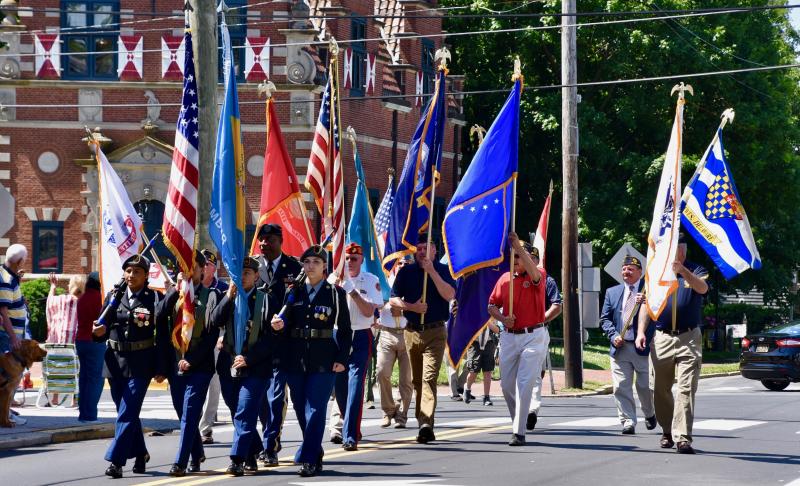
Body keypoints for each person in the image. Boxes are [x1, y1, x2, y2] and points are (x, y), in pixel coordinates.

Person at [270, 245, 351, 477]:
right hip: (295, 358)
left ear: (325, 266)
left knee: (316, 409)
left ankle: (309, 460)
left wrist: (342, 358)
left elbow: (345, 330)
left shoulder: (335, 293)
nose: (311, 266)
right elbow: (284, 326)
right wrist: (278, 326)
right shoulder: (293, 292)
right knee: (301, 409)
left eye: (316, 262)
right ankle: (314, 450)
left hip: (324, 358)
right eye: (307, 262)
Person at [92, 254, 166, 479]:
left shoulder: (154, 298)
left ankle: (116, 461)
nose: (131, 275)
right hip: (115, 362)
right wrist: (97, 333)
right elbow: (101, 326)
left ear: (146, 276)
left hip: (141, 363)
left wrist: (161, 367)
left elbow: (161, 335)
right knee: (126, 413)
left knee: (127, 413)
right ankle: (141, 453)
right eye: (128, 271)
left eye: (137, 272)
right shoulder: (115, 296)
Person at [636, 235, 708, 454]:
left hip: (689, 337)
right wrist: (640, 332)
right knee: (660, 389)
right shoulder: (656, 272)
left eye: (676, 248)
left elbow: (702, 288)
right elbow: (647, 305)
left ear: (683, 251)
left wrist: (683, 271)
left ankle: (683, 437)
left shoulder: (696, 269)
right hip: (662, 337)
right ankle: (667, 430)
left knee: (686, 389)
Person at [210, 256, 279, 476]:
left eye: (247, 273)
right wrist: (228, 297)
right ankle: (253, 451)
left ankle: (237, 458)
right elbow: (214, 321)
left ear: (256, 276)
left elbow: (272, 338)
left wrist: (250, 359)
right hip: (229, 364)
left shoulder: (266, 300)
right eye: (238, 273)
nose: (242, 277)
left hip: (256, 367)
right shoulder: (228, 297)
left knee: (245, 410)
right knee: (236, 410)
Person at [389, 234, 456, 444]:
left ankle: (426, 423)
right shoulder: (406, 272)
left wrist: (432, 272)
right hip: (411, 332)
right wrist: (412, 307)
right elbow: (393, 299)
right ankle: (422, 420)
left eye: (425, 248)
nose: (421, 252)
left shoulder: (443, 271)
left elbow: (449, 294)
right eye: (418, 249)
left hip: (435, 332)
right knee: (417, 381)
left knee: (429, 378)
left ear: (435, 251)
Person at [161, 250, 221, 476]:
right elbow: (159, 315)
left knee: (190, 412)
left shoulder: (211, 296)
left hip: (200, 366)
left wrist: (192, 361)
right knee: (183, 413)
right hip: (176, 364)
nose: (187, 272)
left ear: (202, 269)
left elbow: (211, 336)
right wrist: (174, 291)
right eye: (183, 267)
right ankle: (197, 453)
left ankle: (180, 462)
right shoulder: (176, 293)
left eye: (192, 267)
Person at [488, 233, 548, 447]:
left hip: (533, 336)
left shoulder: (538, 273)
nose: (515, 261)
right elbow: (491, 305)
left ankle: (519, 432)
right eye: (512, 257)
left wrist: (519, 247)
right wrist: (503, 318)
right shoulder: (504, 279)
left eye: (518, 257)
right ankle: (518, 421)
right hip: (510, 337)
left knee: (525, 383)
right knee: (506, 385)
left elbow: (535, 276)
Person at [253, 223, 301, 466]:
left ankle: (270, 444)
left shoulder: (295, 268)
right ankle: (261, 438)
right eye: (261, 239)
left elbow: (302, 307)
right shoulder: (251, 266)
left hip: (283, 345)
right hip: (256, 343)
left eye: (269, 239)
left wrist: (286, 321)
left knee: (276, 397)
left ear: (280, 241)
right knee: (258, 397)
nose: (264, 244)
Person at [328, 243, 382, 450]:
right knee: (340, 388)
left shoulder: (370, 280)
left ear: (361, 260)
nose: (349, 262)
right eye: (347, 258)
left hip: (360, 335)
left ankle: (350, 436)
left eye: (354, 258)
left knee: (355, 385)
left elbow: (369, 312)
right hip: (338, 336)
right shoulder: (332, 280)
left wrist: (352, 291)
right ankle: (352, 425)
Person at [600, 255, 656, 435]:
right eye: (624, 269)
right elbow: (605, 319)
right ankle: (628, 421)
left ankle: (649, 413)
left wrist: (648, 302)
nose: (627, 271)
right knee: (621, 386)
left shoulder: (649, 292)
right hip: (620, 347)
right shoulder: (612, 292)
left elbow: (659, 315)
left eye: (631, 269)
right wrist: (613, 335)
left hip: (643, 347)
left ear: (640, 272)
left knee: (644, 386)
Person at [528, 249, 563, 431]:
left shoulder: (547, 281)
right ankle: (520, 408)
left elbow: (556, 305)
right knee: (510, 378)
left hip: (537, 332)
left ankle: (531, 410)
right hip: (512, 334)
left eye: (532, 258)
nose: (528, 261)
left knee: (534, 373)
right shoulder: (511, 278)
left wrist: (541, 319)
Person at [376, 256, 412, 429]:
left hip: (408, 333)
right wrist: (389, 306)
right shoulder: (384, 279)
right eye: (400, 262)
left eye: (407, 262)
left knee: (406, 379)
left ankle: (402, 415)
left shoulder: (414, 281)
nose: (403, 265)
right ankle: (388, 410)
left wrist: (402, 308)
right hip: (387, 333)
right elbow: (377, 301)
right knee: (382, 372)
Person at [198, 248, 227, 445]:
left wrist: (223, 337)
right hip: (195, 344)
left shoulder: (223, 289)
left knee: (213, 387)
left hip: (216, 343)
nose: (205, 267)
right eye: (202, 264)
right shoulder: (191, 287)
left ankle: (205, 428)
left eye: (208, 264)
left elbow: (230, 318)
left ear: (214, 267)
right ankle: (193, 423)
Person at [44, 272, 86, 406]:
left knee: (57, 364)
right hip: (75, 344)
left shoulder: (60, 299)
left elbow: (50, 302)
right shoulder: (83, 302)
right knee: (76, 368)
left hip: (56, 343)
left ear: (71, 286)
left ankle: (55, 397)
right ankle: (75, 400)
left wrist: (53, 286)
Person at [0, 244, 30, 426]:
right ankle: (6, 415)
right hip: (7, 336)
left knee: (10, 377)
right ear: (19, 261)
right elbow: (3, 310)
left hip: (10, 335)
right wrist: (13, 337)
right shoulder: (5, 279)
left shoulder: (9, 277)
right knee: (9, 378)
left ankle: (8, 412)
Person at [76, 272, 105, 423]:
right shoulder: (100, 298)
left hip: (80, 341)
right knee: (96, 379)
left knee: (84, 378)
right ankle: (90, 415)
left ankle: (83, 414)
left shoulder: (82, 298)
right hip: (95, 341)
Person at [463, 326, 498, 406]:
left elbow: (496, 330)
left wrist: (488, 322)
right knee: (473, 370)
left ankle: (486, 397)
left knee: (488, 371)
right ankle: (467, 388)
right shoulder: (472, 313)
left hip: (489, 343)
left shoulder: (493, 313)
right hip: (475, 343)